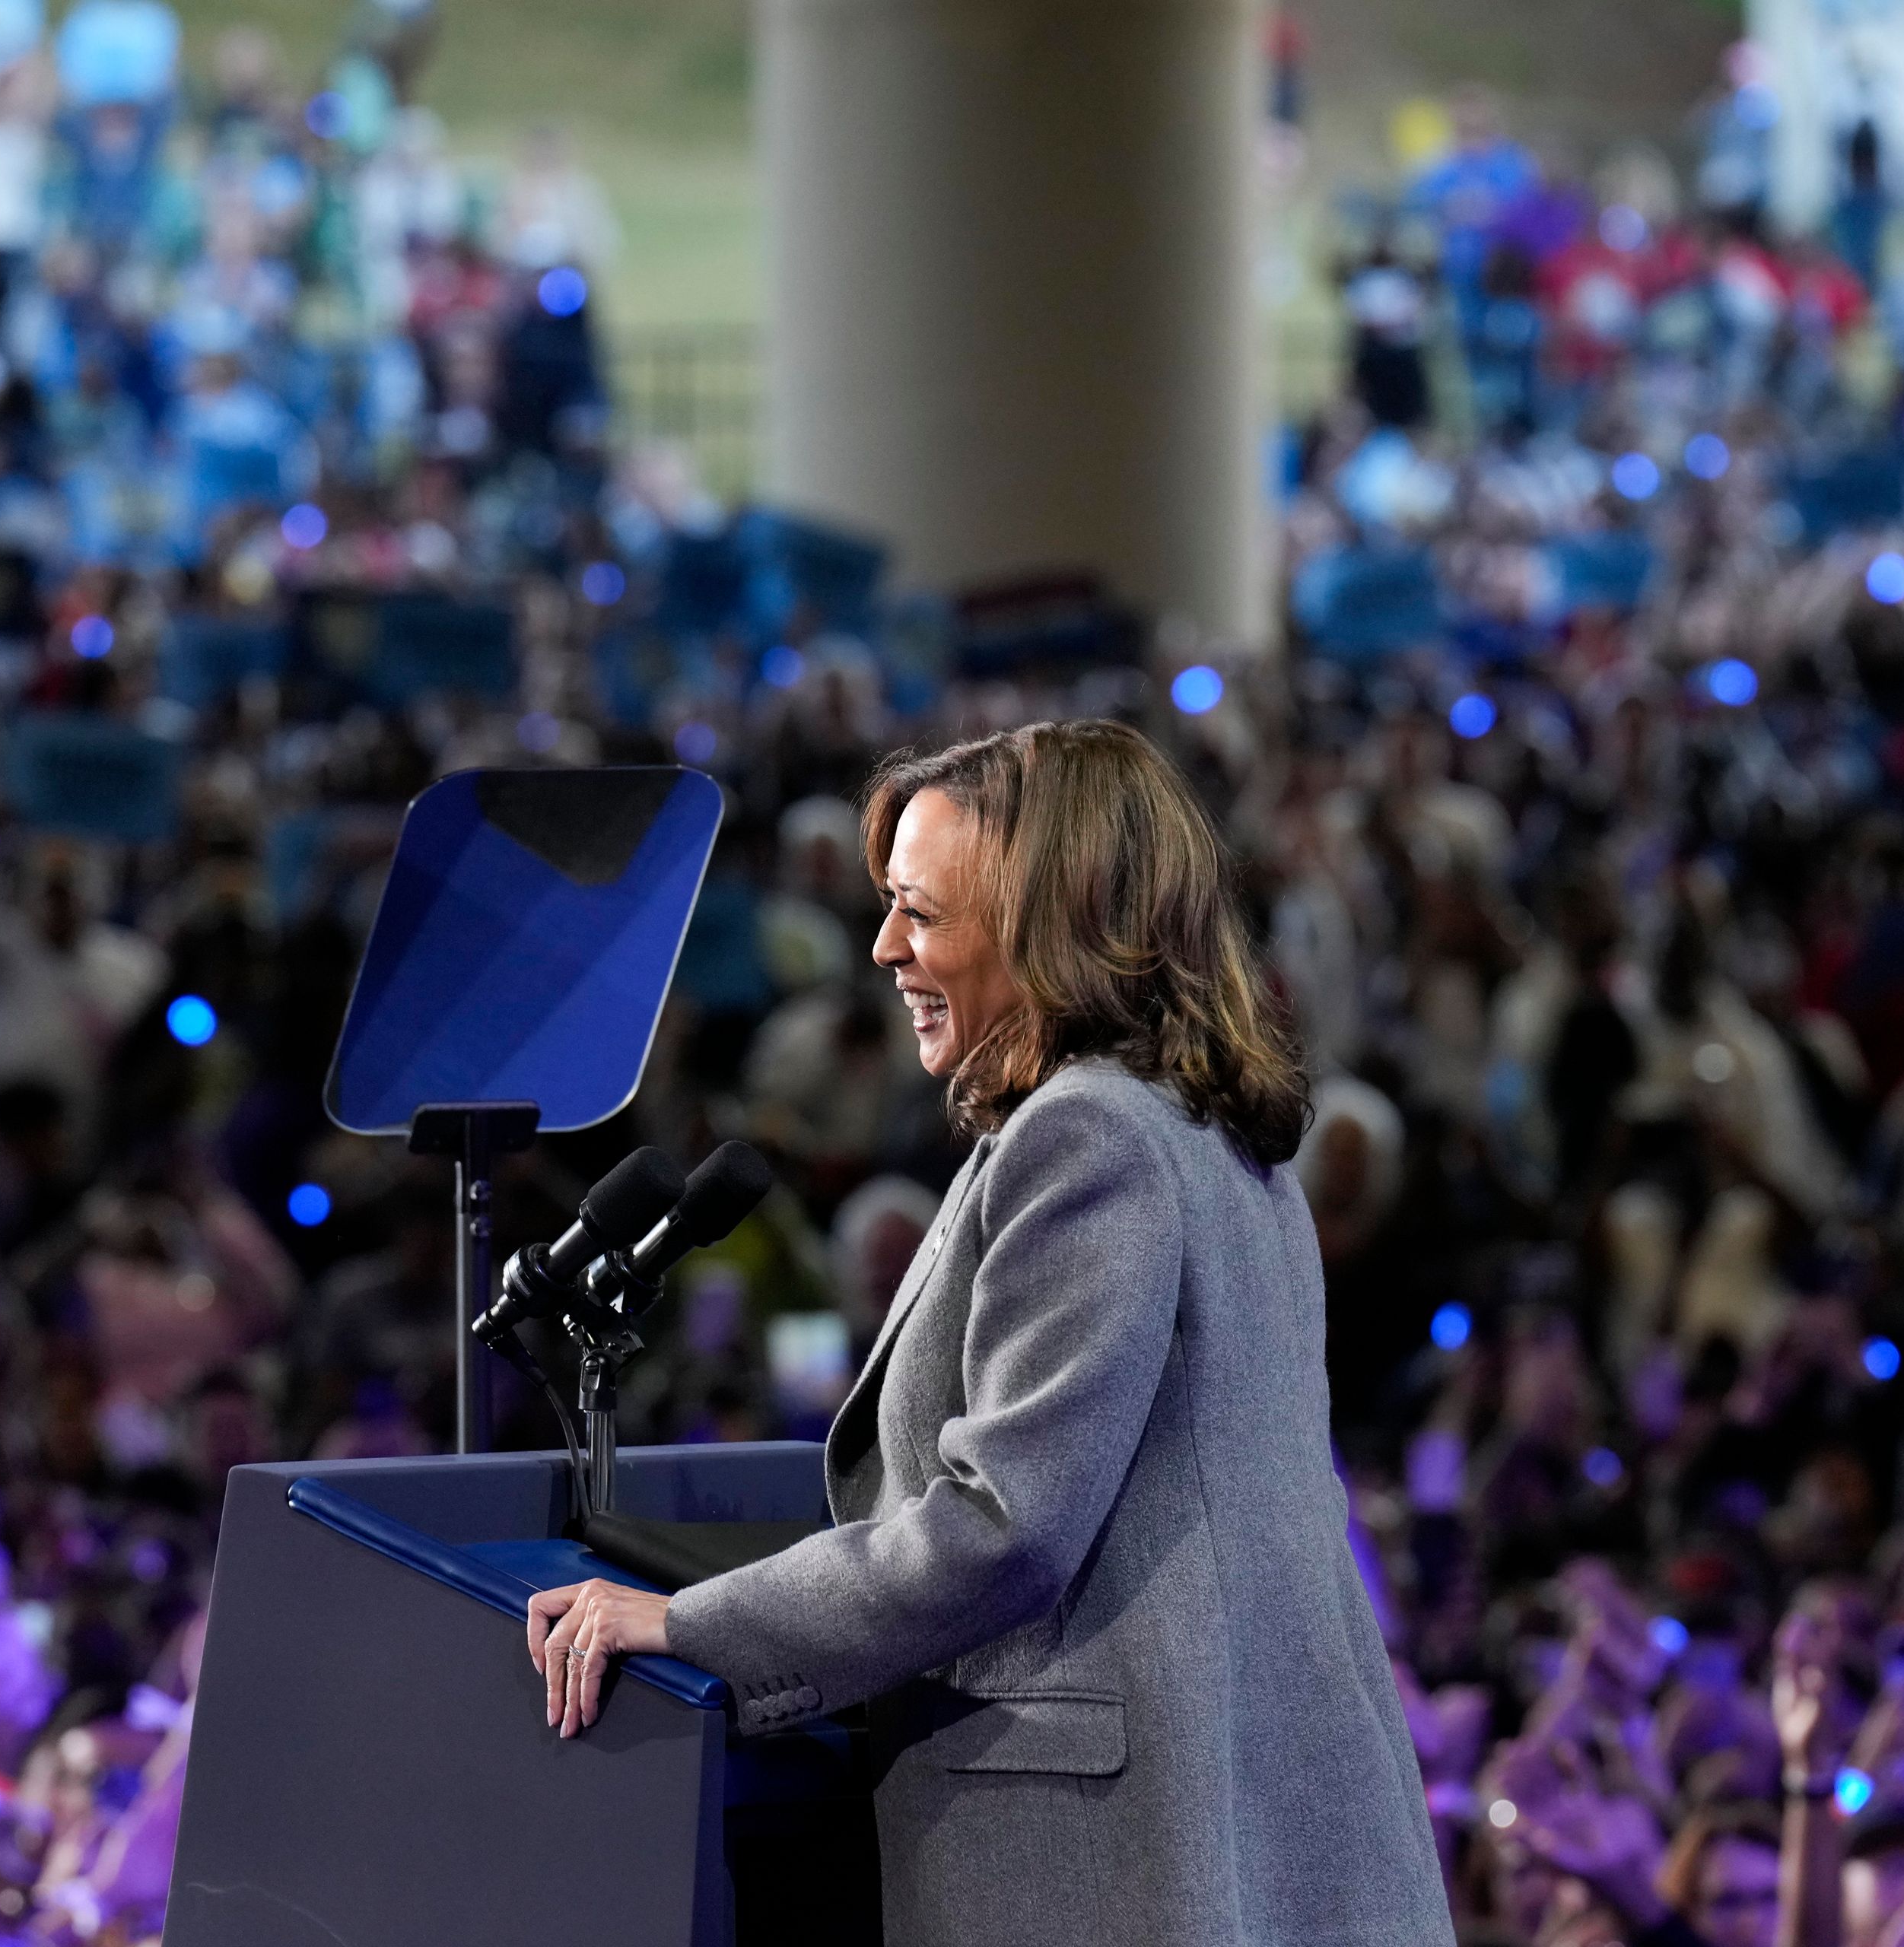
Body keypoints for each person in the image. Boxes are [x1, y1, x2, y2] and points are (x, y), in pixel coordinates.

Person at [523, 721, 1455, 1945]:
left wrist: (685, 1626)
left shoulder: (1090, 1142)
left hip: (1113, 1866)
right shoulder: (1213, 1140)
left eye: (922, 911)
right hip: (1233, 1833)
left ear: (1049, 922)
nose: (885, 947)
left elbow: (1000, 1527)